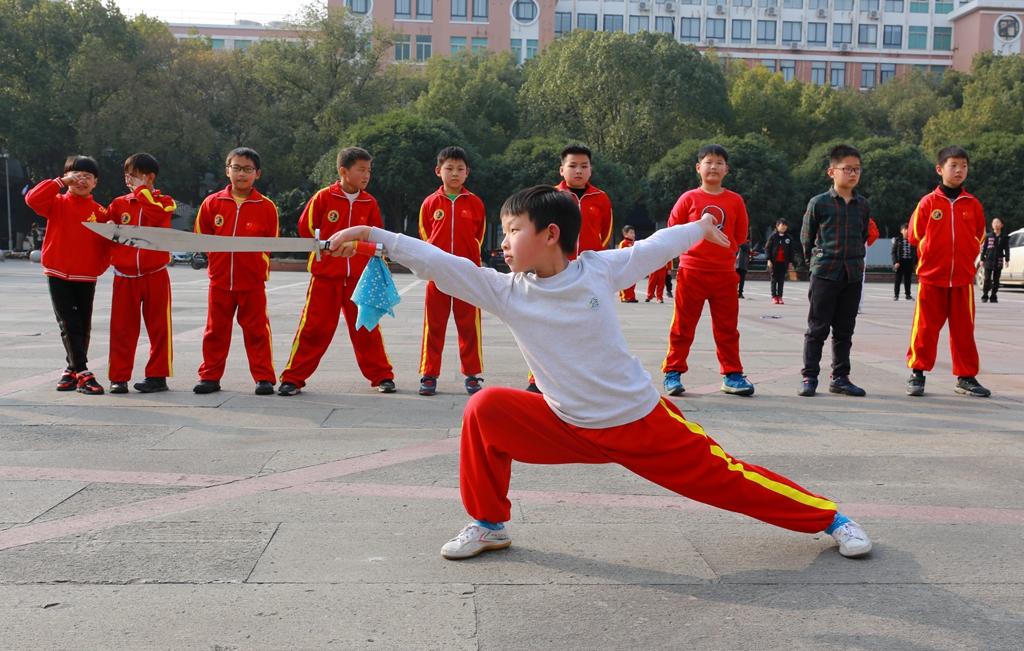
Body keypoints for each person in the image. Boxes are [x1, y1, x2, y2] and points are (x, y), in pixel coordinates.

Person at [326, 185, 873, 562]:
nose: (503, 240)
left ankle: (830, 520)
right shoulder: (506, 291)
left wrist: (701, 227)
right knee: (485, 408)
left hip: (640, 422)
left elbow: (658, 245)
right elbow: (442, 264)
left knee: (729, 480)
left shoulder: (598, 270)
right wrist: (374, 234)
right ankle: (489, 525)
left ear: (549, 234)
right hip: (565, 423)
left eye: (512, 229)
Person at [277, 147, 396, 396]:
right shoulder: (323, 198)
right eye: (361, 170)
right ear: (343, 171)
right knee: (313, 328)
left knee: (367, 327)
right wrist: (327, 250)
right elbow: (306, 230)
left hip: (360, 279)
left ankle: (382, 376)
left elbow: (376, 237)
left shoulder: (369, 202)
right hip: (325, 278)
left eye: (368, 171)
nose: (366, 175)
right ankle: (293, 378)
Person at [662, 144, 753, 397]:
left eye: (719, 162)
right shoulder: (688, 198)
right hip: (692, 272)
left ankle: (732, 374)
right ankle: (673, 372)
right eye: (708, 162)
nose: (713, 166)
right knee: (682, 326)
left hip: (725, 275)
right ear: (698, 168)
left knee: (727, 328)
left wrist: (726, 249)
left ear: (727, 169)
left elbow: (740, 234)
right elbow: (674, 228)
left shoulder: (735, 200)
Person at [193, 147, 279, 396]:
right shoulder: (212, 203)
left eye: (248, 169)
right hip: (219, 282)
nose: (242, 173)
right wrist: (219, 263)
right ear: (227, 170)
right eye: (237, 168)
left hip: (252, 283)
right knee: (215, 332)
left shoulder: (266, 206)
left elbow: (270, 245)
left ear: (257, 174)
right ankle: (209, 376)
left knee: (257, 332)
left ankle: (264, 378)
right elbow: (203, 238)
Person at [906, 146, 989, 398]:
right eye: (953, 165)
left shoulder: (972, 203)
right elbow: (914, 235)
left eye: (964, 165)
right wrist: (930, 250)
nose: (959, 170)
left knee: (964, 330)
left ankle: (966, 377)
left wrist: (967, 253)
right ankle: (917, 373)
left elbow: (979, 234)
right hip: (932, 277)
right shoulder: (928, 202)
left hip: (963, 279)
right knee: (925, 328)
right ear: (940, 169)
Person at [24, 155, 111, 394]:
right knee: (68, 323)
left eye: (87, 177)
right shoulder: (56, 202)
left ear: (95, 182)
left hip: (86, 277)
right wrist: (59, 182)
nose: (81, 180)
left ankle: (70, 371)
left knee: (83, 325)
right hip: (57, 273)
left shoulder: (100, 212)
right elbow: (32, 199)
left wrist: (97, 267)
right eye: (76, 176)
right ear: (67, 178)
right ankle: (83, 372)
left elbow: (108, 245)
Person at [798, 144, 870, 398]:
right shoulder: (819, 203)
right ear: (832, 171)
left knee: (844, 330)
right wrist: (815, 264)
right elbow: (807, 238)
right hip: (825, 273)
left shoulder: (862, 204)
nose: (853, 174)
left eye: (857, 169)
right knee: (817, 328)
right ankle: (809, 377)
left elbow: (863, 236)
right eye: (847, 169)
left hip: (852, 274)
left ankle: (840, 377)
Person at [417, 146, 487, 397]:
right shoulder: (430, 203)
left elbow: (478, 237)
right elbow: (425, 236)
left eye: (460, 169)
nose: (454, 174)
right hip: (438, 276)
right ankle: (429, 375)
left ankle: (471, 375)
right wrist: (435, 266)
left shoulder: (476, 203)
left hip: (467, 277)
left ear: (467, 173)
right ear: (439, 171)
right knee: (434, 326)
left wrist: (468, 265)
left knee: (469, 326)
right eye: (449, 169)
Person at [106, 153, 177, 394]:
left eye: (134, 176)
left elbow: (158, 216)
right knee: (122, 328)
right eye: (126, 176)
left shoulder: (165, 201)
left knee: (159, 327)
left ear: (149, 178)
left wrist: (141, 193)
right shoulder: (119, 204)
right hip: (124, 276)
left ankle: (157, 376)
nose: (129, 180)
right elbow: (108, 233)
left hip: (155, 273)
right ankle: (119, 377)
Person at [555, 143, 613, 260]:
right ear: (562, 170)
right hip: (558, 263)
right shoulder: (551, 195)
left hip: (591, 264)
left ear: (590, 170)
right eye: (572, 166)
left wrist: (597, 252)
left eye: (584, 166)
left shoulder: (601, 197)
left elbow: (607, 231)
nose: (578, 171)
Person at [765, 218, 796, 305]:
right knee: (774, 279)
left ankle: (780, 297)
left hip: (783, 262)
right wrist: (768, 260)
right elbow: (767, 249)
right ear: (777, 226)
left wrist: (790, 262)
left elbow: (791, 251)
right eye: (782, 225)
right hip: (774, 262)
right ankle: (774, 297)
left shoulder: (789, 238)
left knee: (781, 280)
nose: (784, 227)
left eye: (785, 225)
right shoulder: (772, 237)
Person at [980, 217, 1010, 304]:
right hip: (988, 260)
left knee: (996, 279)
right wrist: (982, 259)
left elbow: (1007, 249)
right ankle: (985, 295)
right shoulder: (988, 236)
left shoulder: (1004, 237)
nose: (995, 224)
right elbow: (984, 249)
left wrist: (1007, 259)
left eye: (997, 223)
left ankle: (994, 296)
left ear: (1002, 225)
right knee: (987, 279)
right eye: (994, 223)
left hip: (999, 260)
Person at [857, 218, 880, 314]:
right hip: (860, 250)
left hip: (844, 248)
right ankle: (857, 305)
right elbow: (874, 234)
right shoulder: (865, 217)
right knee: (859, 279)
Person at [891, 222, 916, 301]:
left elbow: (916, 253)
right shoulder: (898, 241)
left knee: (908, 279)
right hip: (900, 263)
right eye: (905, 229)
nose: (907, 231)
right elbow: (893, 252)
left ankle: (908, 294)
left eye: (909, 229)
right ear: (901, 231)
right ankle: (896, 295)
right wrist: (895, 262)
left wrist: (916, 263)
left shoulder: (913, 241)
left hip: (909, 262)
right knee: (898, 279)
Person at [617, 225, 638, 302]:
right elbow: (620, 255)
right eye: (631, 233)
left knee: (632, 283)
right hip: (625, 266)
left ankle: (631, 297)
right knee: (624, 281)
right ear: (625, 234)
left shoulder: (634, 244)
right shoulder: (623, 243)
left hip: (632, 266)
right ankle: (624, 297)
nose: (633, 234)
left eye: (634, 233)